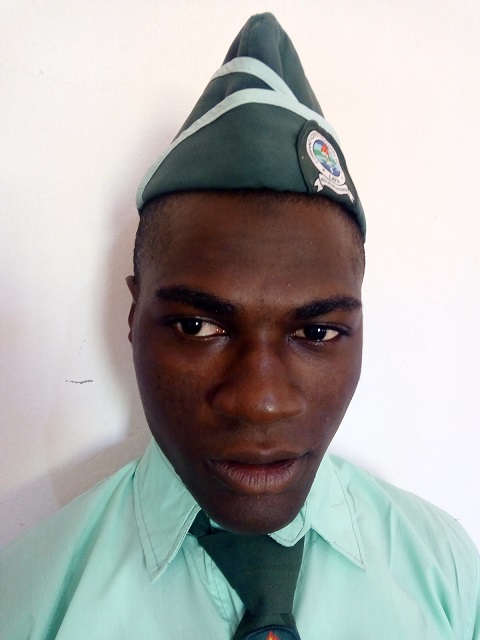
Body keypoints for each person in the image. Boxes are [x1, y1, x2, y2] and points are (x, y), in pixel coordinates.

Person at [1, 12, 479, 640]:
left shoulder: (448, 575)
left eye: (316, 333)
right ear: (133, 316)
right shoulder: (28, 603)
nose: (260, 403)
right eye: (197, 326)